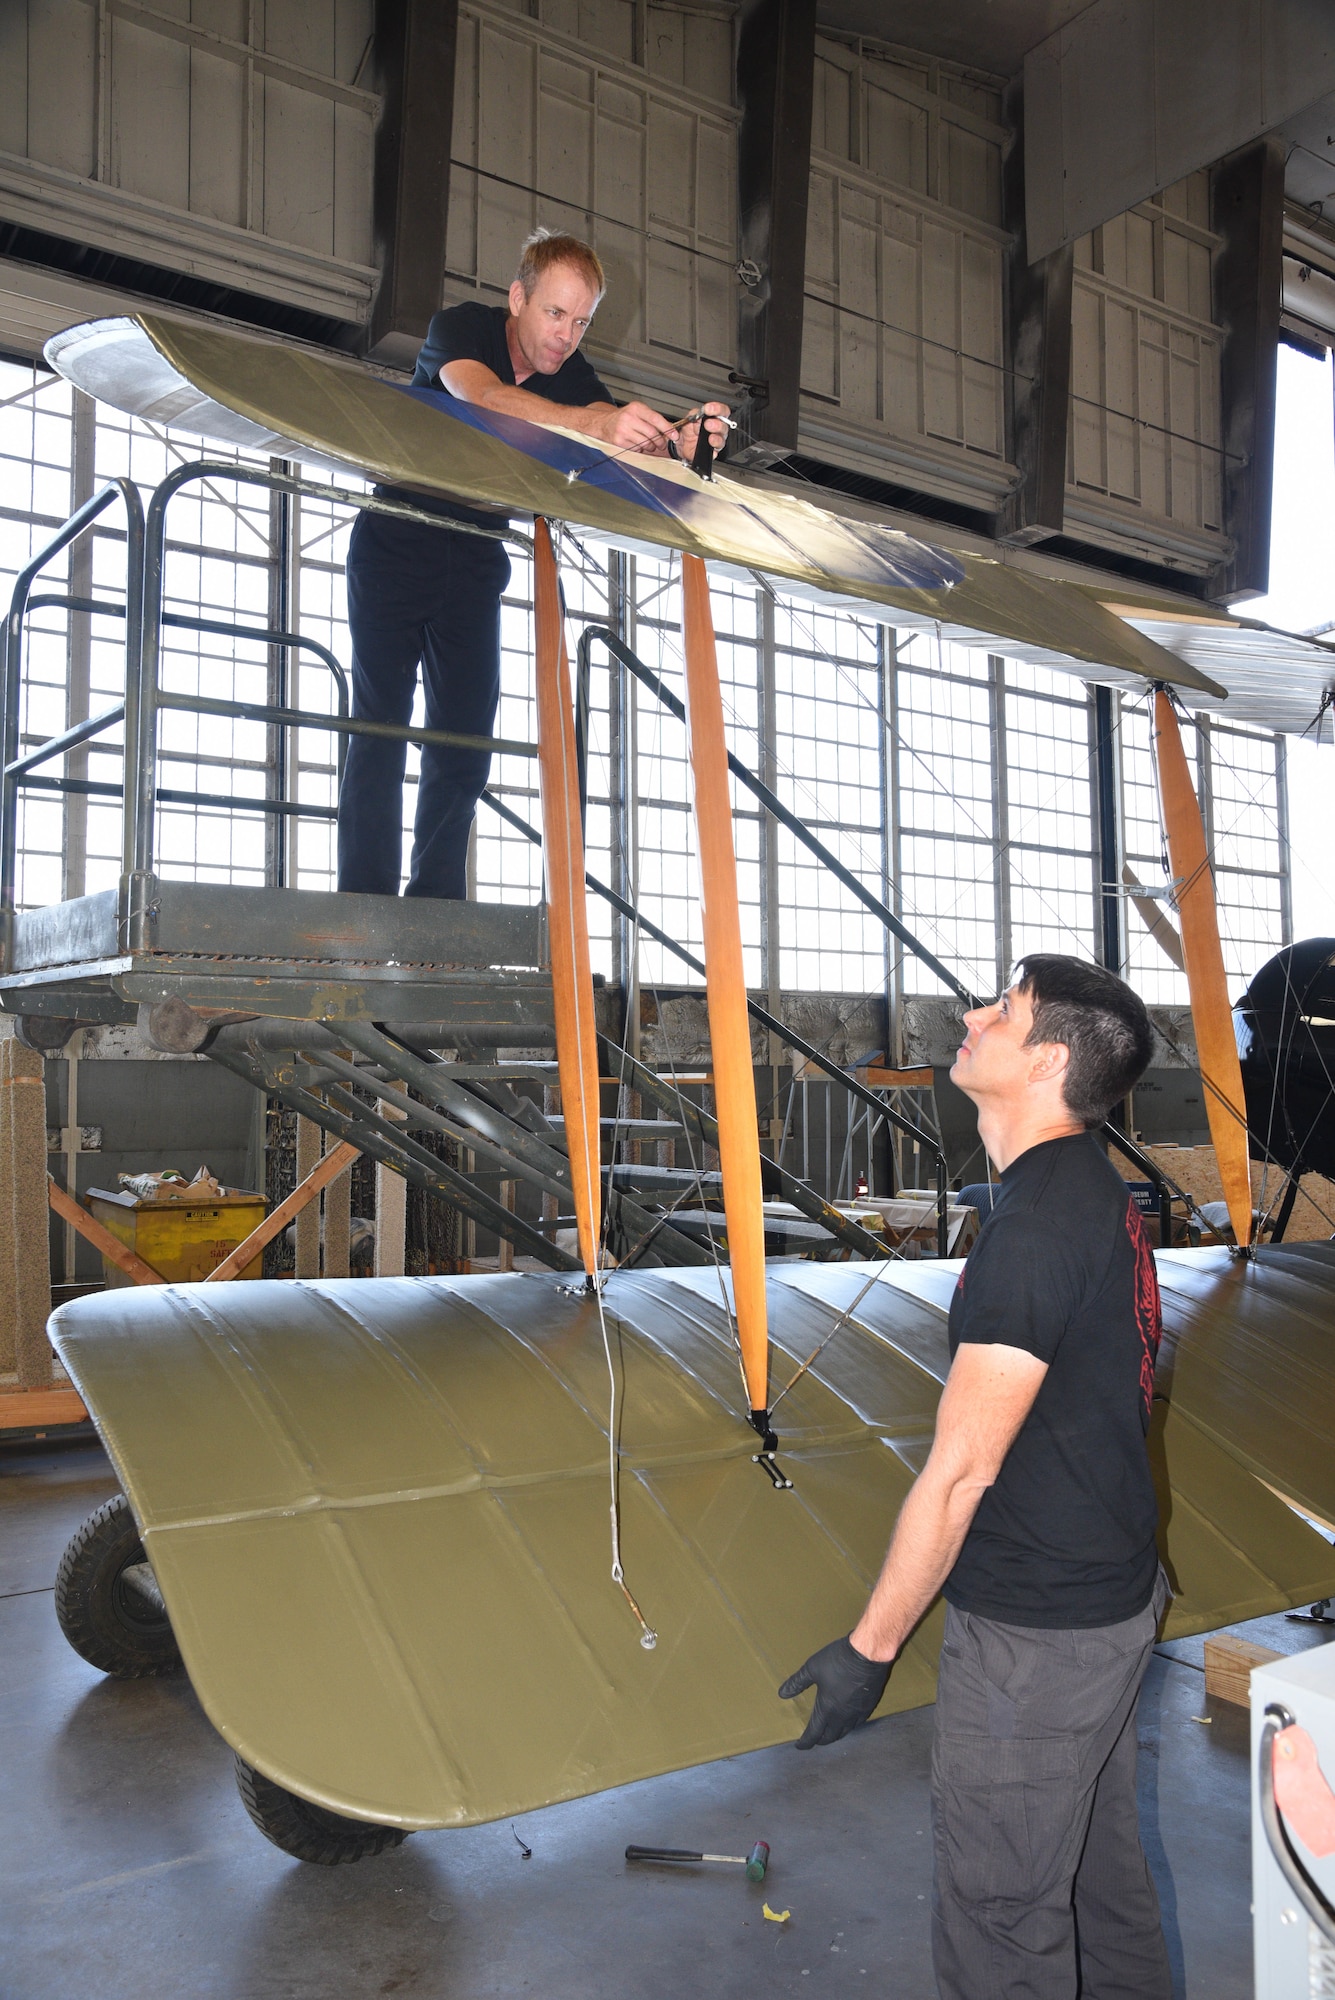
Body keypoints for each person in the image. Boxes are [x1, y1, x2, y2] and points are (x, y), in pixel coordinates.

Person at [779, 954, 1170, 2000]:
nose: (971, 1013)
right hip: (1113, 1594)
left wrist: (870, 1649)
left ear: (1045, 1061)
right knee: (1097, 1876)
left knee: (1003, 1913)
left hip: (1042, 1632)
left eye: (1001, 1007)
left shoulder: (1035, 1230)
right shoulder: (1085, 1183)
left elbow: (960, 1470)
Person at [337, 228, 729, 900]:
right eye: (554, 314)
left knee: (464, 740)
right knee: (381, 727)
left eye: (581, 322)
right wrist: (592, 424)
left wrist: (677, 439)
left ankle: (434, 906)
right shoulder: (460, 329)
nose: (565, 337)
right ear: (517, 298)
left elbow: (609, 423)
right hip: (398, 539)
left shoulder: (569, 380)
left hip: (477, 553)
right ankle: (364, 903)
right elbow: (482, 399)